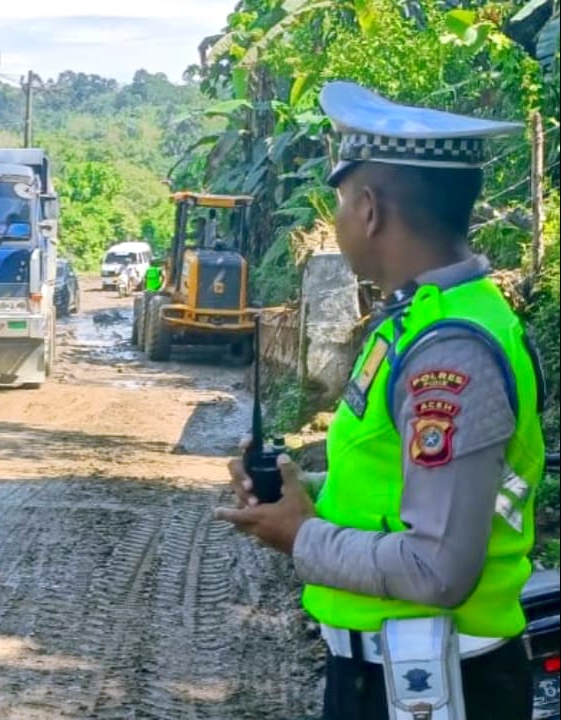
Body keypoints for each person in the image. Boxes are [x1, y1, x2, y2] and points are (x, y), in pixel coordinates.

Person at [215, 81, 544, 720]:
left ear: (368, 209)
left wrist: (302, 536)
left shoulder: (450, 349)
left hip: (436, 686)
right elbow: (402, 477)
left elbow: (439, 568)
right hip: (399, 674)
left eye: (338, 200)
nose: (336, 218)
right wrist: (300, 487)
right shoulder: (416, 320)